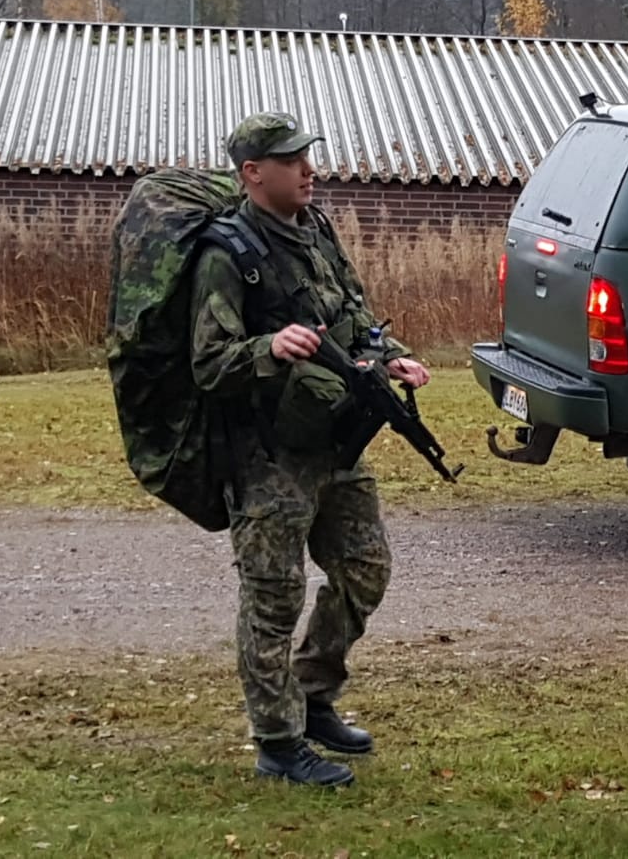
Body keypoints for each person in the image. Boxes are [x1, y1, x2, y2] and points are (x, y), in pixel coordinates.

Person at [190, 112, 431, 787]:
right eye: (291, 160)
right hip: (267, 456)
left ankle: (313, 695)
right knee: (273, 596)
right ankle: (277, 740)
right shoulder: (226, 254)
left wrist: (393, 360)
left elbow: (354, 315)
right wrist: (268, 347)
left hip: (337, 438)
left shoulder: (317, 230)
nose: (307, 169)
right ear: (252, 172)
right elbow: (208, 363)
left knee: (365, 569)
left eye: (307, 157)